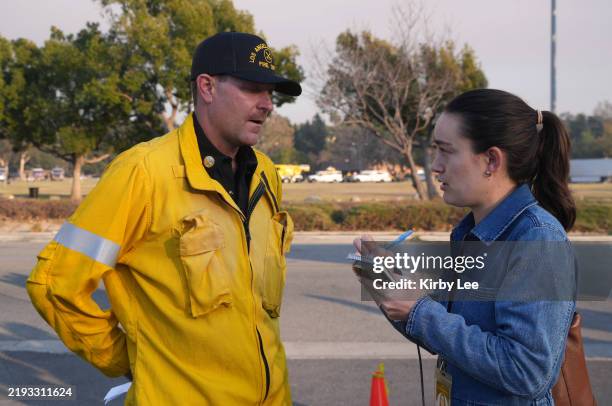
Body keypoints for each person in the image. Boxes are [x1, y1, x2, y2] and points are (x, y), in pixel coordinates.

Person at [26, 32, 301, 405]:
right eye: (253, 88)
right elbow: (55, 284)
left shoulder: (265, 175)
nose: (268, 105)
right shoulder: (142, 174)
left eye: (272, 93)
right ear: (207, 87)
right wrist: (130, 359)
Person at [355, 89, 577, 405]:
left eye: (446, 151)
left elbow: (526, 372)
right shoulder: (470, 233)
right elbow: (444, 334)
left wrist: (418, 308)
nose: (435, 166)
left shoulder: (536, 239)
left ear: (491, 160)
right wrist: (388, 286)